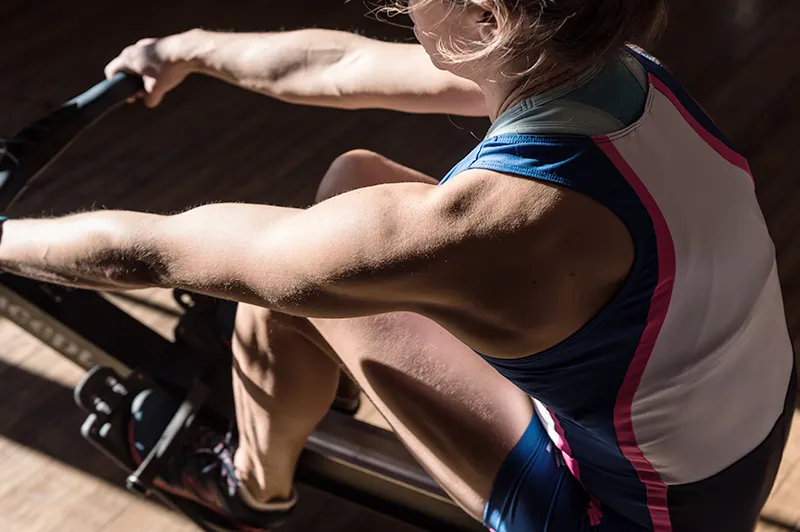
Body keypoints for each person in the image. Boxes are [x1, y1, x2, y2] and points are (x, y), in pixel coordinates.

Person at [2, 1, 796, 531]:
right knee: (351, 182)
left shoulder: (487, 224)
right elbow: (338, 69)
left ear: (484, 20)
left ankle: (246, 486)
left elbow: (158, 250)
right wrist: (187, 51)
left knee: (290, 285)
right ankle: (305, 364)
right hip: (728, 434)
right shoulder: (611, 67)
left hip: (629, 518)